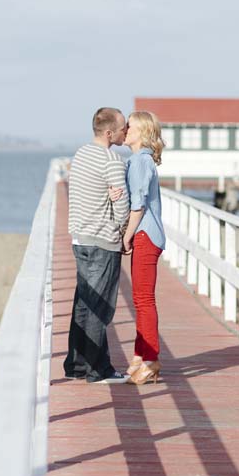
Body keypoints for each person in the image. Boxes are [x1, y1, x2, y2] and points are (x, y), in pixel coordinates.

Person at [63, 107, 131, 384]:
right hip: (103, 240)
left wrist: (109, 194)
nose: (126, 132)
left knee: (83, 302)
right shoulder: (112, 160)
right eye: (123, 128)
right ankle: (97, 369)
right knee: (100, 307)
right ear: (109, 132)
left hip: (80, 237)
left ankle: (76, 364)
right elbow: (123, 207)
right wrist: (124, 232)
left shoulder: (81, 154)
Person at [121, 110, 166, 385]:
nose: (124, 129)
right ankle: (140, 357)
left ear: (142, 133)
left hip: (145, 234)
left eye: (130, 126)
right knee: (141, 299)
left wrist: (126, 236)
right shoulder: (142, 160)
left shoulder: (139, 161)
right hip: (149, 234)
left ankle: (150, 360)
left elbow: (138, 204)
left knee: (143, 300)